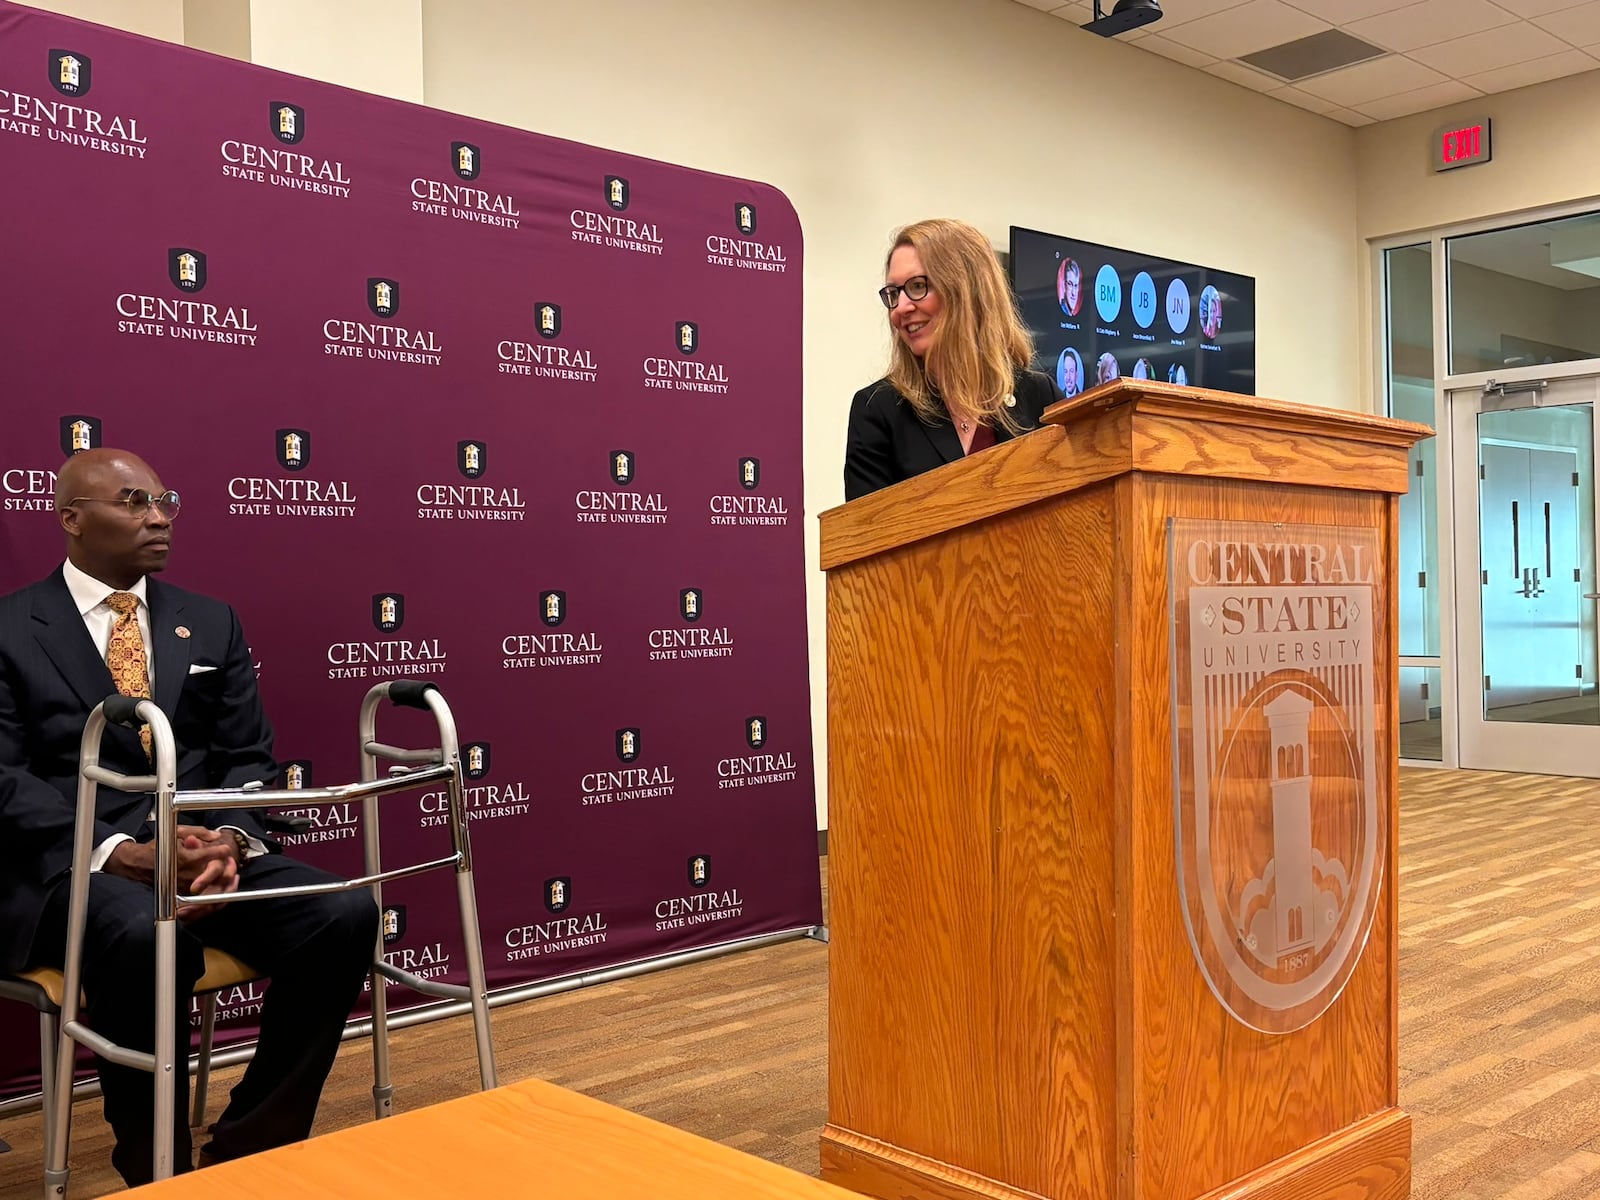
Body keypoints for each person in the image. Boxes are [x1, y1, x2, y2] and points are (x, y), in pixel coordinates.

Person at [0, 448, 378, 1185]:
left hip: (201, 847)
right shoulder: (12, 627)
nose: (161, 517)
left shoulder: (209, 621)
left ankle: (249, 1148)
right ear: (71, 519)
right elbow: (5, 778)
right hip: (71, 862)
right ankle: (158, 1167)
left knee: (342, 913)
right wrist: (120, 851)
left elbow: (247, 756)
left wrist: (229, 841)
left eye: (165, 499)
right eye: (135, 502)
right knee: (150, 935)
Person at [844, 218, 1063, 500]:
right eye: (893, 294)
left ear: (968, 291)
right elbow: (869, 537)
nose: (901, 307)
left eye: (918, 285)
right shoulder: (879, 410)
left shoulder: (1038, 395)